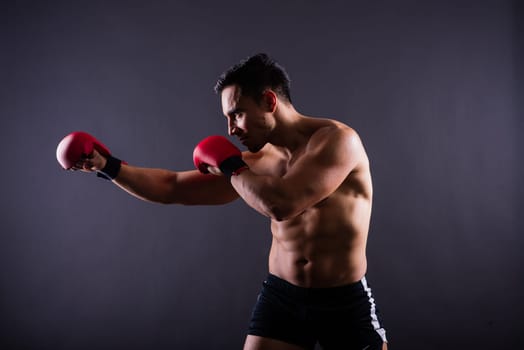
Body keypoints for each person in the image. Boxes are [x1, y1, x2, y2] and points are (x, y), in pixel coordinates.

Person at [58, 53, 388, 350]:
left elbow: (282, 204)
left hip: (342, 301)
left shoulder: (339, 142)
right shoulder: (257, 164)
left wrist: (231, 166)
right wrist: (108, 165)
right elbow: (173, 187)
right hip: (283, 297)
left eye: (238, 114)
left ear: (270, 101)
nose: (230, 129)